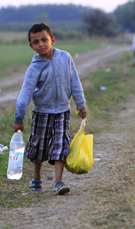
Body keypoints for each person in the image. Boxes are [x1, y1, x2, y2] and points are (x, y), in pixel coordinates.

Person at [13, 23, 87, 195]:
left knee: (61, 145)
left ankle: (58, 182)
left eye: (44, 40)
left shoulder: (65, 57)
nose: (41, 44)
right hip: (42, 112)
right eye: (36, 42)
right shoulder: (35, 68)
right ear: (31, 46)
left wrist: (81, 104)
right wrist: (18, 118)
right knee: (38, 147)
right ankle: (36, 179)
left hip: (62, 111)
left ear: (52, 40)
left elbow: (74, 82)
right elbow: (25, 94)